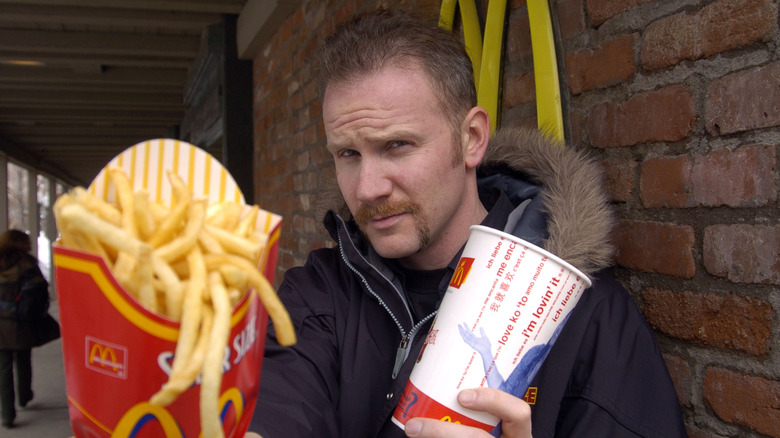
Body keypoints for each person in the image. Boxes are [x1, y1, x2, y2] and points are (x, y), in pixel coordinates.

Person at [250, 8, 686, 438]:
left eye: (397, 145)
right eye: (348, 154)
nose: (366, 189)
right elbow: (275, 408)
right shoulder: (318, 294)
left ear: (472, 139)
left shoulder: (585, 316)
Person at [0, 229, 51, 428]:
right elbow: (40, 289)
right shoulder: (27, 264)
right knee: (22, 358)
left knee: (3, 366)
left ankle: (7, 414)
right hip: (20, 320)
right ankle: (24, 395)